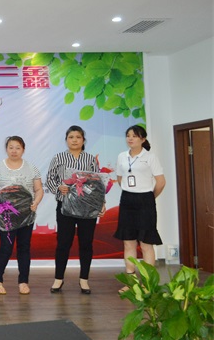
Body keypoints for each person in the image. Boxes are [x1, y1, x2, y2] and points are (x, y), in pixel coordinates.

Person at [45, 125, 105, 294]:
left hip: (88, 206)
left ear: (83, 140)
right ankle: (58, 279)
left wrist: (101, 202)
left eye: (78, 137)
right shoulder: (58, 158)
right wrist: (59, 187)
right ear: (66, 140)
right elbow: (50, 179)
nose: (74, 140)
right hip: (65, 206)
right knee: (63, 243)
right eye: (71, 137)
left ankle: (84, 280)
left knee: (86, 243)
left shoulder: (90, 159)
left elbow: (97, 183)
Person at [0, 136, 44, 295]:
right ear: (6, 149)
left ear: (23, 150)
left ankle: (23, 282)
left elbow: (38, 189)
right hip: (6, 215)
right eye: (11, 147)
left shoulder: (31, 167)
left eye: (18, 147)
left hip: (26, 214)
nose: (14, 151)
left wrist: (36, 202)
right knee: (6, 248)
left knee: (24, 248)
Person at [114, 125, 165, 290]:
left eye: (134, 136)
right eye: (128, 135)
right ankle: (131, 283)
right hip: (127, 200)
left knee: (146, 244)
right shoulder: (122, 156)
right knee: (128, 243)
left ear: (143, 139)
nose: (130, 138)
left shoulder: (150, 157)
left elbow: (161, 182)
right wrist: (131, 192)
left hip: (145, 200)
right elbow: (120, 179)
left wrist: (149, 198)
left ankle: (148, 283)